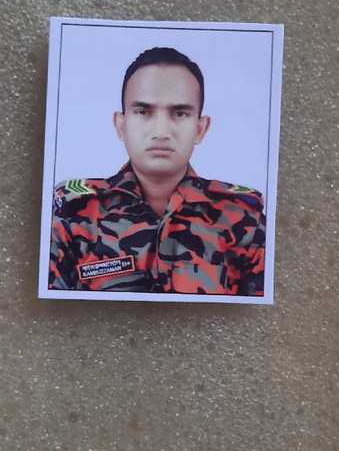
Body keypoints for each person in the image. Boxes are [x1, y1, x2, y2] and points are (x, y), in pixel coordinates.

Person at [48, 47, 265, 295]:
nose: (161, 131)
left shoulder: (243, 217)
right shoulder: (72, 213)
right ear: (121, 125)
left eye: (180, 113)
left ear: (200, 129)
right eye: (143, 112)